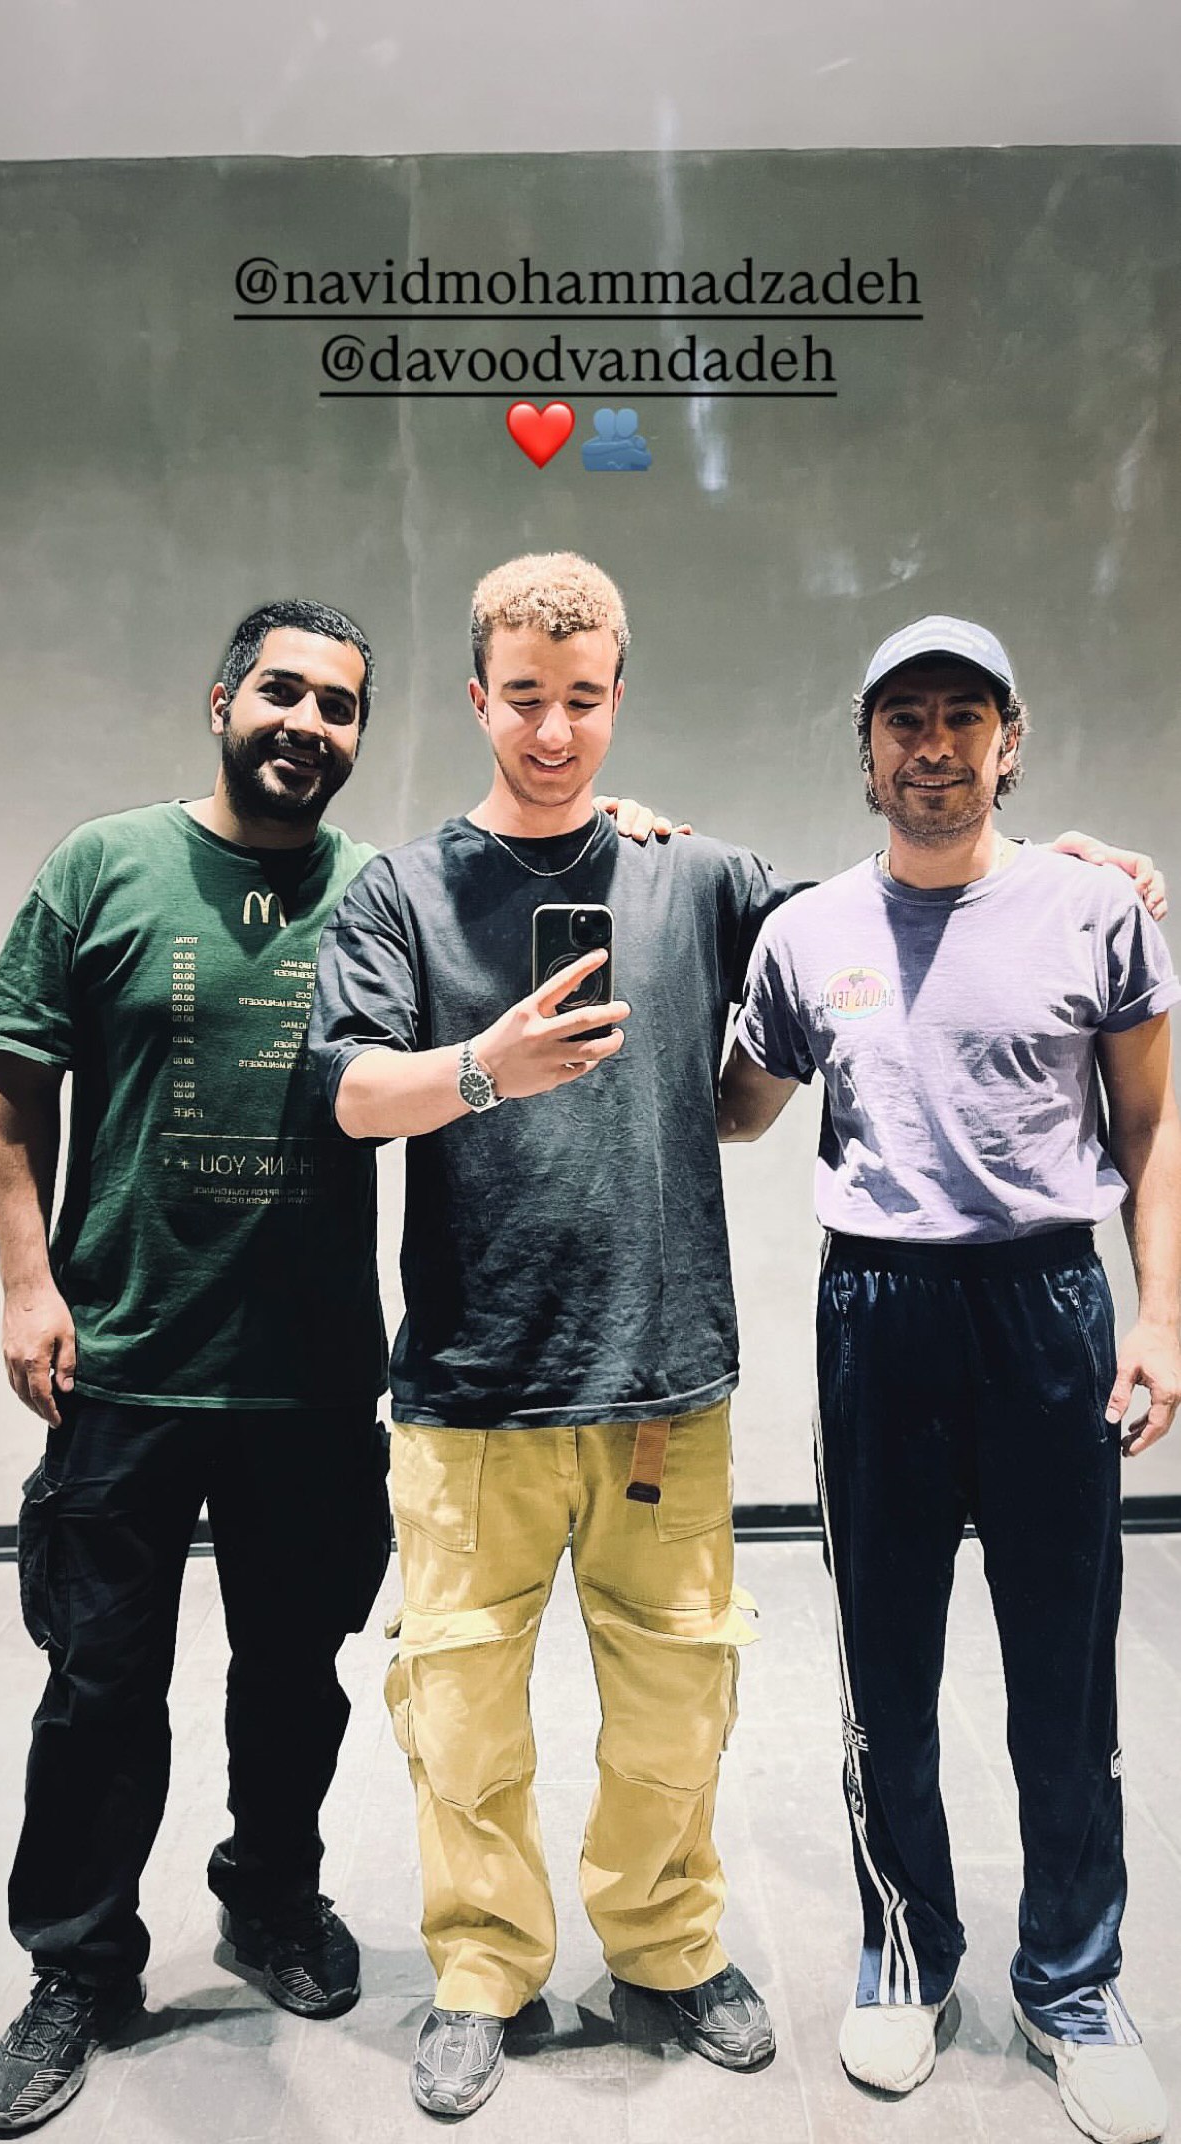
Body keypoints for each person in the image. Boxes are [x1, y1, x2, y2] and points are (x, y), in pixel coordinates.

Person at [309, 551, 797, 2120]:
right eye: (523, 697)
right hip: (471, 1387)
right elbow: (348, 1093)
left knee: (674, 1707)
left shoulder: (694, 875)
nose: (552, 732)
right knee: (460, 1718)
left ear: (618, 696)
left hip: (663, 1381)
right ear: (476, 696)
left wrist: (1053, 862)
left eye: (582, 700)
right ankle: (480, 1970)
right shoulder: (398, 893)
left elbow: (871, 931)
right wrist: (484, 1068)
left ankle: (663, 1947)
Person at [718, 615, 1181, 2144]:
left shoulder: (1092, 910)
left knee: (1064, 1674)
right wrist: (653, 932)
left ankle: (1072, 1984)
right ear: (864, 751)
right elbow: (738, 1109)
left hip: (1045, 1306)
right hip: (880, 1312)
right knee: (887, 1672)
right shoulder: (807, 933)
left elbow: (1147, 1128)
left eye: (960, 717)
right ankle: (905, 1952)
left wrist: (1158, 1316)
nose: (931, 747)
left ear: (1007, 739)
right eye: (902, 720)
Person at [0, 600, 394, 2137]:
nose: (307, 723)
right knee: (99, 1691)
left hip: (311, 1378)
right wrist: (28, 1286)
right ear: (222, 700)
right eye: (282, 691)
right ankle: (78, 1966)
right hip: (128, 1365)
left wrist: (620, 816)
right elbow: (12, 1093)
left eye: (339, 705)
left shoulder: (383, 892)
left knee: (293, 1679)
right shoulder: (105, 865)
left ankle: (270, 1898)